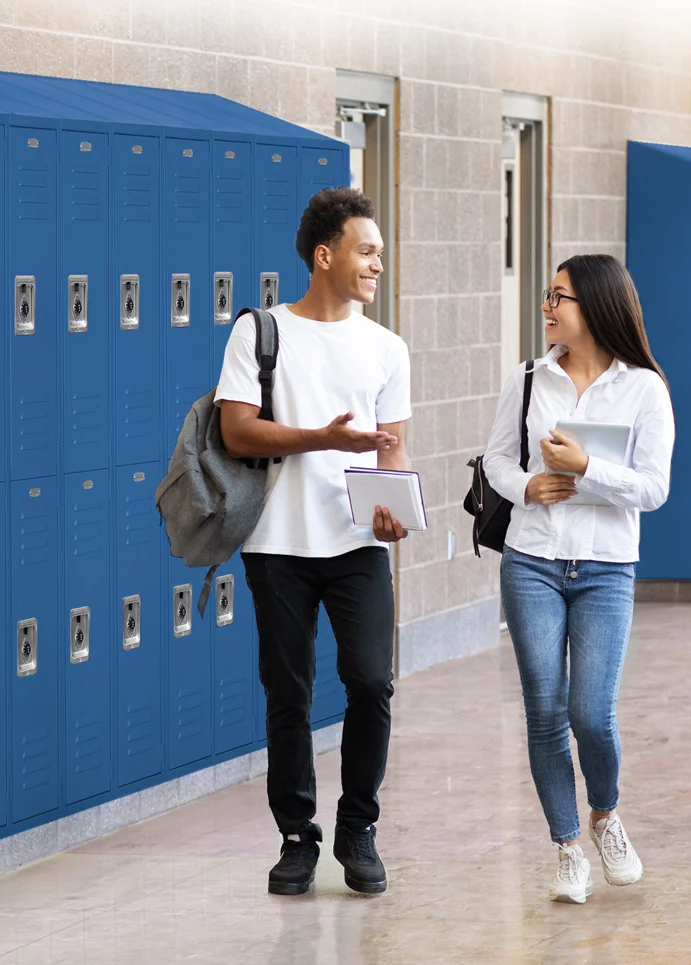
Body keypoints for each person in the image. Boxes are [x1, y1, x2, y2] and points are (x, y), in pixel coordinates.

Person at [215, 187, 412, 896]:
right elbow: (237, 429)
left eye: (381, 253)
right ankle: (297, 836)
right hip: (277, 543)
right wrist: (322, 437)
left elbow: (392, 451)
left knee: (371, 680)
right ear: (325, 255)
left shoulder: (387, 347)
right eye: (367, 250)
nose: (377, 264)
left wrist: (392, 509)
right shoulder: (260, 332)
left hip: (358, 545)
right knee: (287, 691)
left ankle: (358, 826)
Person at [482, 254, 674, 904]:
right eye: (547, 295)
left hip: (606, 568)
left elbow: (654, 488)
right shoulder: (530, 379)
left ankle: (605, 815)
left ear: (593, 306)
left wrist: (587, 466)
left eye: (558, 296)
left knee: (591, 712)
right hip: (531, 559)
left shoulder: (645, 388)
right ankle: (567, 846)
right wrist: (528, 485)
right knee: (544, 710)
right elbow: (496, 462)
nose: (547, 306)